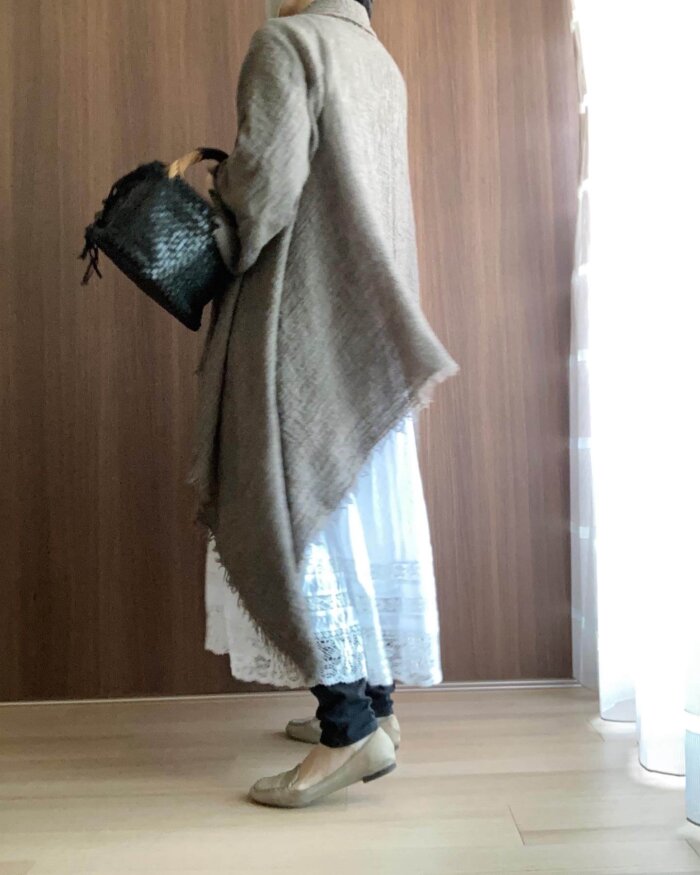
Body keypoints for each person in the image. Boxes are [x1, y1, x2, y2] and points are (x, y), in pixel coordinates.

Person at [192, 0, 457, 808]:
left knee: (295, 512)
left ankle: (347, 730)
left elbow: (264, 189)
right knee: (356, 512)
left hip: (299, 319)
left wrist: (214, 205)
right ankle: (378, 709)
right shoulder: (379, 61)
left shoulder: (287, 41)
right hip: (368, 327)